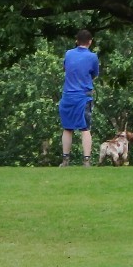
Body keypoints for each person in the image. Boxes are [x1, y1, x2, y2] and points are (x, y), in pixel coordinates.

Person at [57, 28, 100, 166]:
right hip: (83, 96)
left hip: (68, 95)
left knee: (67, 128)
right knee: (85, 128)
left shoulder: (68, 54)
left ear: (76, 41)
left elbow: (66, 68)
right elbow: (94, 74)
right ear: (90, 42)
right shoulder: (92, 57)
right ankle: (86, 160)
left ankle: (65, 160)